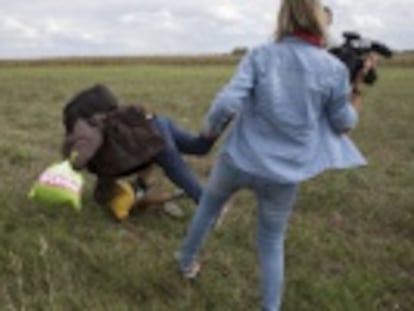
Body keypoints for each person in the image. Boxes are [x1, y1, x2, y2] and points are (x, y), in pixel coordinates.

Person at [177, 0, 375, 310]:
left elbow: (226, 104)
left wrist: (209, 134)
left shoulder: (260, 54)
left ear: (283, 16)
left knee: (208, 207)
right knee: (271, 242)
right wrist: (358, 87)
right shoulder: (334, 69)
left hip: (237, 159)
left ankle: (186, 262)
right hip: (284, 174)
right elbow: (343, 124)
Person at [62, 84, 214, 221]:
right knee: (199, 147)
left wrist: (72, 164)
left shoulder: (102, 138)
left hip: (154, 138)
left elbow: (100, 167)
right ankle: (215, 125)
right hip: (158, 123)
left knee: (176, 169)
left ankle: (209, 205)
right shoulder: (119, 123)